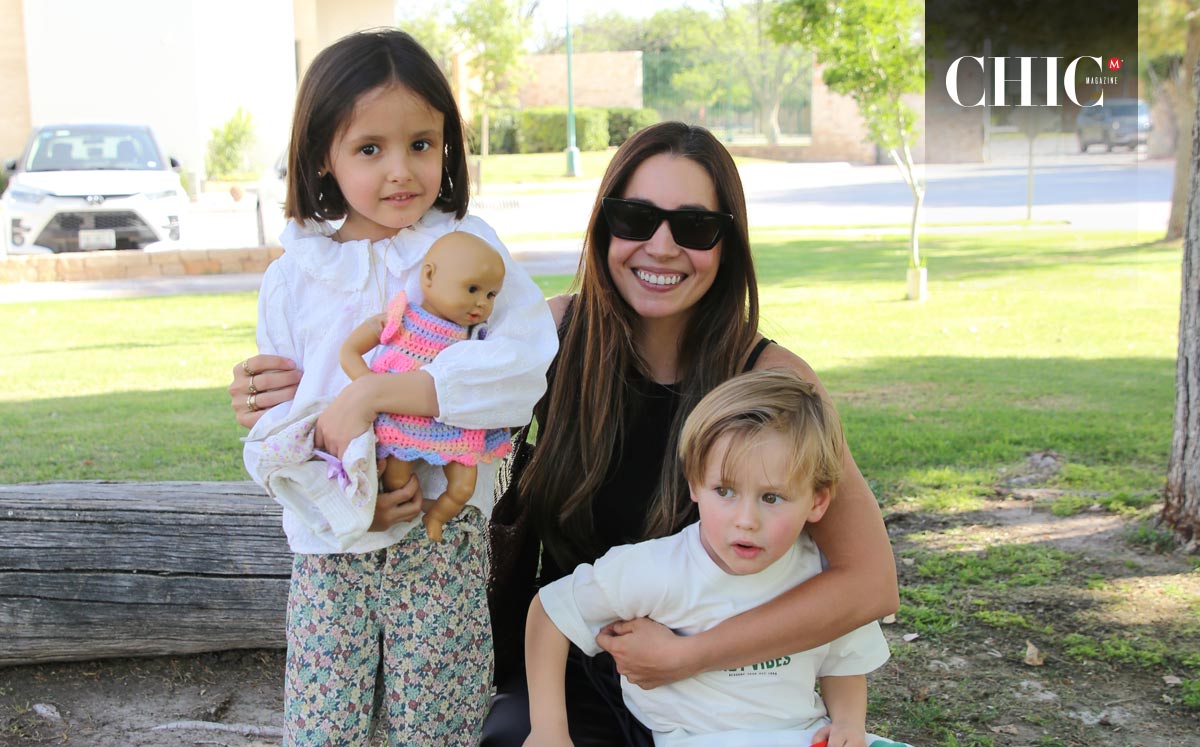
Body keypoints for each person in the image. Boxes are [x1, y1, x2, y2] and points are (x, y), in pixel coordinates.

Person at [481, 121, 899, 747]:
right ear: (604, 226)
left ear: (727, 243)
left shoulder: (774, 383)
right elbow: (424, 398)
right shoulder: (548, 339)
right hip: (571, 670)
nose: (662, 246)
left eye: (694, 227)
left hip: (723, 691)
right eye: (635, 217)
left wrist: (691, 655)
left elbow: (869, 582)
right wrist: (303, 386)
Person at [232, 29, 557, 746]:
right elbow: (285, 420)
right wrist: (348, 502)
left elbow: (522, 366)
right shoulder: (295, 276)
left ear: (448, 145)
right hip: (328, 544)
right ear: (324, 154)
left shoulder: (467, 248)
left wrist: (389, 392)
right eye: (369, 148)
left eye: (422, 143)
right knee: (324, 720)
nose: (401, 170)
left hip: (440, 534)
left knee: (437, 716)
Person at [524, 369, 908, 747]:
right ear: (694, 483)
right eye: (724, 491)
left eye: (771, 498)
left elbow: (843, 663)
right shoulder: (656, 570)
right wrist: (548, 731)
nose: (746, 521)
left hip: (807, 734)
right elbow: (551, 611)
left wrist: (848, 724)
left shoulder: (819, 574)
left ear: (817, 501)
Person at [340, 231, 511, 541]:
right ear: (429, 276)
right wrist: (370, 390)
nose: (481, 303)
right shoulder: (401, 318)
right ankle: (406, 517)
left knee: (462, 486)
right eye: (472, 289)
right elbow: (348, 351)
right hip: (400, 420)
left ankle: (437, 515)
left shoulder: (476, 337)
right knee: (397, 479)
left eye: (490, 295)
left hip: (454, 425)